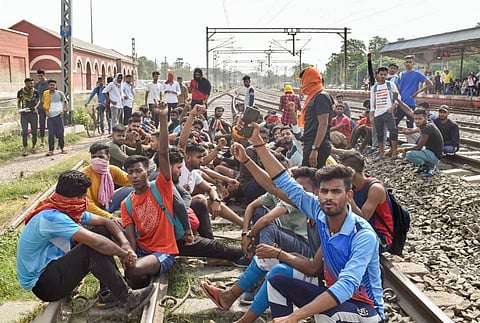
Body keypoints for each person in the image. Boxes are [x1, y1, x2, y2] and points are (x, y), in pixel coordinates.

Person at [234, 122, 384, 322]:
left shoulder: (362, 234)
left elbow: (347, 285)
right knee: (277, 281)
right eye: (324, 191)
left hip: (366, 308)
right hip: (333, 294)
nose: (329, 197)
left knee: (327, 313)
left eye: (336, 191)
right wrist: (258, 144)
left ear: (349, 196)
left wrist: (296, 316)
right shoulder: (320, 211)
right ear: (318, 194)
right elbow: (284, 183)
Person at [16, 170, 154, 316]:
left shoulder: (63, 207)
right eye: (84, 196)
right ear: (75, 198)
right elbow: (96, 243)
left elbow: (106, 222)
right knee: (91, 248)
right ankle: (129, 298)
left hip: (53, 269)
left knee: (100, 229)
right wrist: (123, 253)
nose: (85, 200)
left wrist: (124, 243)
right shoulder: (51, 217)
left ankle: (108, 293)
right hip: (45, 285)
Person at [120, 103, 177, 288]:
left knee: (134, 271)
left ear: (148, 171)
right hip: (142, 250)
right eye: (130, 172)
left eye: (138, 171)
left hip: (163, 251)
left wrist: (162, 117)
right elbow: (131, 237)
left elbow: (163, 153)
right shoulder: (126, 203)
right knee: (132, 272)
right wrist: (130, 254)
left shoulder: (161, 187)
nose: (134, 176)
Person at [337, 151, 393, 252]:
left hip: (380, 237)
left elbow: (363, 219)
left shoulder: (375, 189)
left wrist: (349, 199)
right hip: (362, 230)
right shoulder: (354, 185)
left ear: (351, 171)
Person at [81, 142, 134, 220]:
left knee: (132, 188)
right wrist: (109, 217)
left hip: (107, 204)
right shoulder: (85, 175)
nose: (97, 160)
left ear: (108, 157)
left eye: (100, 157)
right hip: (91, 211)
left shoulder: (112, 170)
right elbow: (88, 205)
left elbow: (131, 181)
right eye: (94, 157)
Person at [297, 66, 334, 168]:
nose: (302, 84)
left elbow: (323, 124)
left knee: (310, 179)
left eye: (303, 80)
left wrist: (315, 148)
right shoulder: (314, 96)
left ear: (310, 79)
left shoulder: (321, 97)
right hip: (312, 142)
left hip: (318, 145)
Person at [397, 105, 444, 177]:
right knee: (404, 145)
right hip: (429, 150)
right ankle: (422, 166)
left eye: (420, 119)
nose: (417, 121)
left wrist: (403, 150)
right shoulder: (427, 123)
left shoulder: (427, 128)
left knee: (409, 154)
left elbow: (418, 147)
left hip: (435, 156)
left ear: (426, 118)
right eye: (415, 119)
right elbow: (408, 111)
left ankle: (430, 166)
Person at [370, 66, 399, 159]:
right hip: (378, 113)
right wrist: (372, 114)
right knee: (379, 133)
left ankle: (394, 151)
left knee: (393, 131)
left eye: (385, 75)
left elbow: (398, 97)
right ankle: (381, 152)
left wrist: (393, 106)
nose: (383, 76)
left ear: (387, 75)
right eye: (381, 74)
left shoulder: (390, 85)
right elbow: (372, 102)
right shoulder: (374, 88)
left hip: (388, 112)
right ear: (377, 75)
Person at [397, 55, 433, 128]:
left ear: (413, 63)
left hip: (411, 103)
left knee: (410, 125)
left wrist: (417, 92)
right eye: (407, 62)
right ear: (404, 63)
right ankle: (393, 139)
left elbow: (430, 84)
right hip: (401, 103)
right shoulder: (401, 74)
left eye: (410, 62)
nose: (408, 64)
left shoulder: (417, 74)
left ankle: (411, 139)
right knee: (394, 123)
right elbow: (399, 88)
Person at [43, 79, 68, 156]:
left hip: (58, 116)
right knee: (51, 134)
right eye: (51, 85)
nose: (52, 86)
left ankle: (62, 148)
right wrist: (46, 113)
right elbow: (44, 105)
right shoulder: (46, 94)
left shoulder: (60, 94)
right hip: (50, 117)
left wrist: (63, 111)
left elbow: (65, 102)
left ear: (55, 86)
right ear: (48, 86)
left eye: (53, 85)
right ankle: (51, 150)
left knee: (60, 133)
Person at [17, 77, 40, 156]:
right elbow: (19, 102)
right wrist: (19, 109)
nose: (32, 85)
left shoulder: (35, 92)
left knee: (34, 131)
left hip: (33, 113)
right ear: (26, 83)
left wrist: (36, 107)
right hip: (24, 114)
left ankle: (33, 147)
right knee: (24, 132)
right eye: (30, 83)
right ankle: (25, 149)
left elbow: (38, 101)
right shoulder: (20, 92)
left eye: (33, 83)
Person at [35, 69, 49, 148]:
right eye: (38, 76)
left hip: (50, 107)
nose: (40, 78)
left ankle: (55, 139)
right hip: (41, 107)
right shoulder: (37, 84)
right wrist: (36, 105)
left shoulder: (49, 83)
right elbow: (36, 96)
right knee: (42, 124)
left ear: (44, 74)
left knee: (53, 123)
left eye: (41, 76)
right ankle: (42, 142)